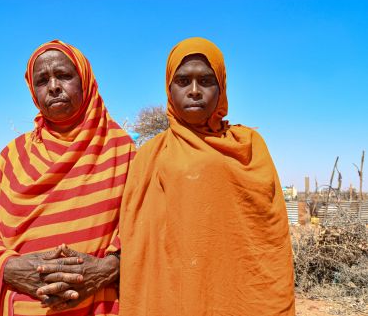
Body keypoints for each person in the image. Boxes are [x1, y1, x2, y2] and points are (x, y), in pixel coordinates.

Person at [119, 37, 295, 315]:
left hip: (237, 298)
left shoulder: (248, 147)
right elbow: (137, 243)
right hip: (172, 297)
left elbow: (268, 240)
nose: (194, 91)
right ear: (168, 88)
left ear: (222, 87)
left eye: (206, 81)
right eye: (182, 81)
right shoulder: (150, 155)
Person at [0, 40, 135, 316]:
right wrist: (9, 267)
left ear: (85, 81)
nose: (54, 86)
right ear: (33, 92)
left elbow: (144, 225)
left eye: (64, 76)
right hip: (22, 307)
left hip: (99, 306)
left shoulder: (121, 149)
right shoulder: (13, 156)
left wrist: (107, 269)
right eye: (42, 80)